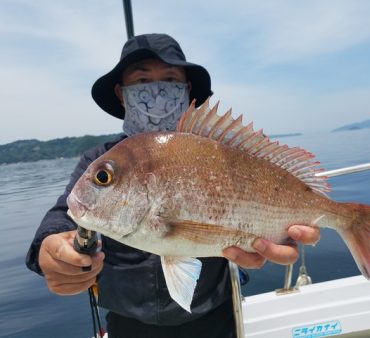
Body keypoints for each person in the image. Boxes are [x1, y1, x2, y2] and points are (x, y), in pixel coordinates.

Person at [26, 33, 320, 338]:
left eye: (169, 78)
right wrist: (50, 246)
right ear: (121, 92)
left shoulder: (216, 149)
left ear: (186, 89)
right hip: (128, 323)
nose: (156, 92)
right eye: (141, 81)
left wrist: (281, 227)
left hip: (212, 314)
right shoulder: (103, 159)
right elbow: (64, 213)